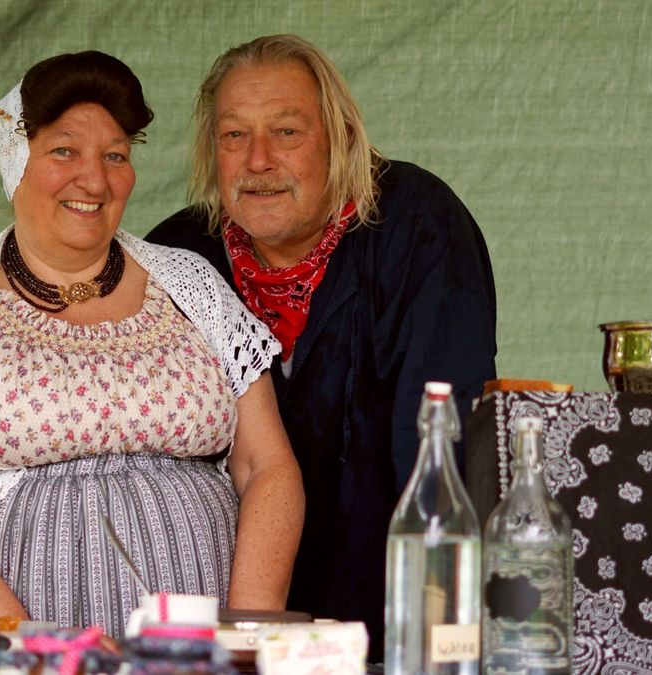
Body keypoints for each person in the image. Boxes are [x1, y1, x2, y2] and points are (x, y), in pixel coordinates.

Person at [0, 50, 303, 637]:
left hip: (194, 650)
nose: (95, 180)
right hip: (6, 649)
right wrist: (33, 653)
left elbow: (267, 465)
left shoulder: (193, 285)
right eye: (64, 151)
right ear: (15, 160)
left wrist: (246, 638)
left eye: (115, 155)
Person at [146, 35, 497, 657]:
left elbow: (439, 446)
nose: (258, 160)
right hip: (223, 623)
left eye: (286, 132)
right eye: (234, 135)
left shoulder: (416, 225)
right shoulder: (176, 261)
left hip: (389, 622)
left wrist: (431, 641)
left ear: (341, 140)